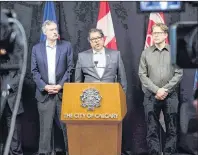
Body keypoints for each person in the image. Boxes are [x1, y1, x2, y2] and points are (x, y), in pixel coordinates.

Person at [138, 23, 183, 155]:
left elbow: (179, 74)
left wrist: (165, 90)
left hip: (171, 95)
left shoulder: (174, 51)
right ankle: (155, 153)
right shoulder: (146, 53)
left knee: (172, 128)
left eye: (158, 33)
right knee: (151, 129)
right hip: (151, 96)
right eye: (154, 33)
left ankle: (169, 152)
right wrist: (156, 90)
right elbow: (142, 74)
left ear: (165, 35)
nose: (155, 36)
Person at [31, 20, 73, 155]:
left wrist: (60, 85)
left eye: (56, 29)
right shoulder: (36, 48)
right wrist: (45, 86)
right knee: (45, 129)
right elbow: (34, 71)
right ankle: (44, 152)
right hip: (44, 95)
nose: (55, 32)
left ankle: (71, 151)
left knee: (67, 127)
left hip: (63, 93)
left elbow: (70, 68)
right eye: (51, 30)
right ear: (45, 32)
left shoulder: (66, 46)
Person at [75, 28, 127, 93]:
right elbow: (77, 81)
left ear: (103, 39)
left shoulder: (115, 55)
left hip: (111, 93)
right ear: (90, 42)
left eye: (98, 38)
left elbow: (122, 78)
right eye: (93, 39)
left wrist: (122, 95)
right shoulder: (82, 56)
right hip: (89, 96)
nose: (96, 41)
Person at [0, 43, 24, 155]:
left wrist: (8, 86)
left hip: (12, 100)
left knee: (14, 133)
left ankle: (15, 152)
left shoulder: (15, 54)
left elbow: (22, 73)